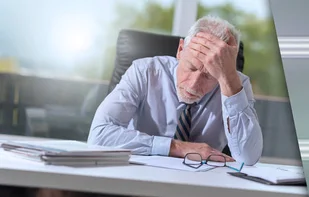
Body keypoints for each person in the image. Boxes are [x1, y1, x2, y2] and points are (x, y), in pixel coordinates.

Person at [87, 15, 263, 165]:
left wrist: (228, 79)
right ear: (180, 50)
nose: (193, 85)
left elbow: (248, 157)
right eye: (191, 68)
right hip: (140, 175)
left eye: (210, 76)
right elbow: (99, 135)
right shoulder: (145, 72)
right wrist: (177, 148)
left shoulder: (235, 84)